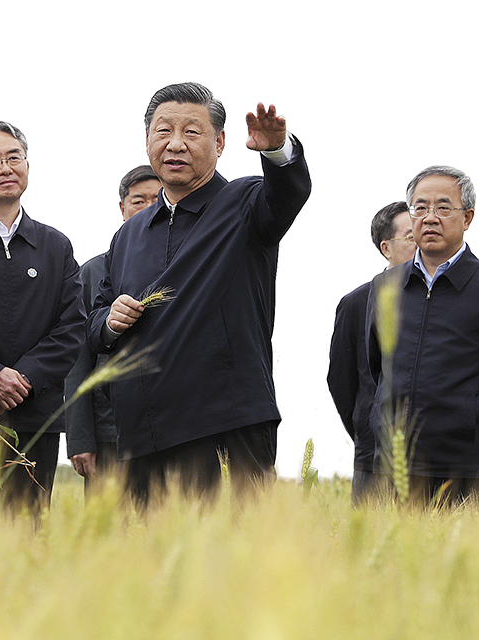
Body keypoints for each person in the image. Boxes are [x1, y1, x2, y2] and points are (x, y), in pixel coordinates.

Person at [86, 82, 311, 503]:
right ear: (147, 140)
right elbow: (95, 321)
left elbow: (288, 192)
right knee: (149, 560)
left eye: (191, 132)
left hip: (225, 424)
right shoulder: (129, 234)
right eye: (163, 131)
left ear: (220, 141)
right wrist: (110, 320)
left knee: (232, 559)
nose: (175, 144)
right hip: (142, 432)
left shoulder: (244, 203)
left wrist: (277, 152)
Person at [367, 166, 479, 504]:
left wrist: (474, 424)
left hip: (471, 470)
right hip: (395, 467)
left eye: (443, 208)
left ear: (467, 217)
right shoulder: (385, 286)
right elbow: (376, 366)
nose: (430, 218)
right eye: (420, 207)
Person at [0, 120, 84, 510]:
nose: (6, 167)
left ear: (27, 165)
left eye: (14, 157)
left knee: (28, 535)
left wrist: (21, 380)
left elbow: (71, 327)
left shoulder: (54, 245)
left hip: (33, 418)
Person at [65, 165, 160, 491]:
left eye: (157, 199)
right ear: (122, 208)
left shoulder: (186, 267)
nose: (148, 207)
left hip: (173, 428)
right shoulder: (92, 272)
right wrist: (80, 438)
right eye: (138, 200)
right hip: (109, 432)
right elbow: (76, 360)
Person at [327, 202, 415, 504]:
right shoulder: (356, 303)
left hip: (438, 456)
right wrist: (368, 428)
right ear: (386, 247)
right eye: (411, 236)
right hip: (373, 457)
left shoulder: (450, 299)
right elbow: (341, 380)